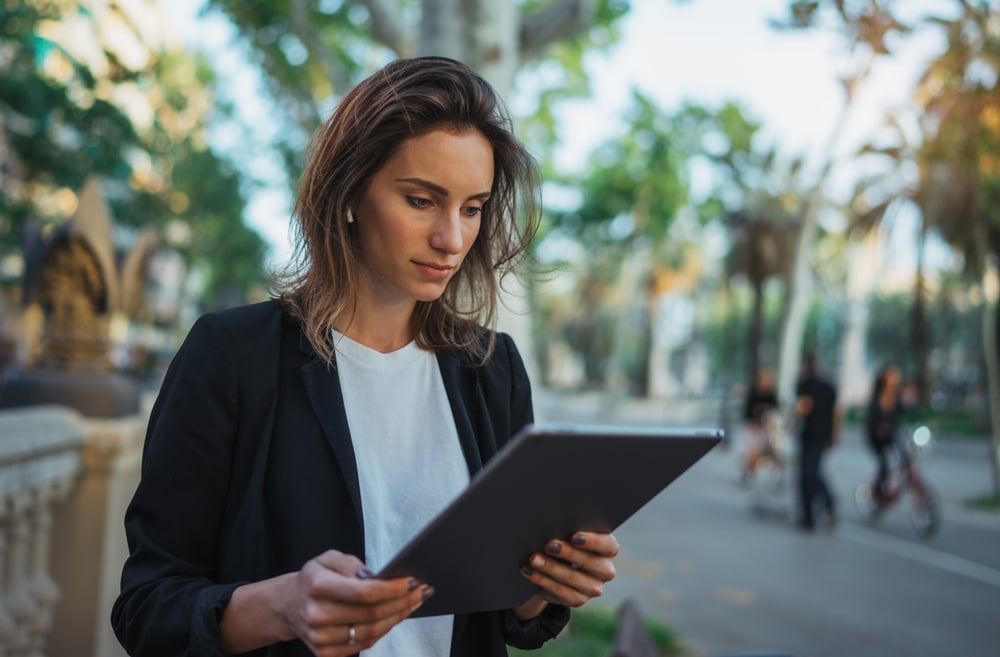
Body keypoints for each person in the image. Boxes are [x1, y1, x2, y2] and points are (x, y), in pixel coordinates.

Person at [111, 56, 619, 657]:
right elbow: (148, 607)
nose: (452, 239)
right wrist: (283, 606)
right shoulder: (232, 357)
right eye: (421, 200)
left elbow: (512, 614)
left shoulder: (492, 368)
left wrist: (545, 584)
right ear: (349, 192)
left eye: (472, 208)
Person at [793, 352, 840, 531]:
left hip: (810, 435)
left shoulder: (804, 384)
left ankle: (810, 514)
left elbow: (803, 407)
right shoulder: (828, 386)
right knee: (813, 472)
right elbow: (836, 411)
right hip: (822, 435)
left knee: (807, 475)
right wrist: (835, 433)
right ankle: (824, 505)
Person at [865, 364, 917, 502]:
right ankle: (879, 491)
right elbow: (872, 416)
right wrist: (879, 427)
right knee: (884, 464)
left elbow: (908, 410)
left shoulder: (898, 396)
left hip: (892, 434)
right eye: (892, 375)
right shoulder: (877, 397)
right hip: (877, 437)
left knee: (907, 458)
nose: (896, 378)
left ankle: (905, 487)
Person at [740, 367, 780, 484]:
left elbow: (775, 412)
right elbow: (747, 414)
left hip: (767, 427)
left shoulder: (771, 394)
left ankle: (776, 471)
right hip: (754, 426)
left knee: (773, 449)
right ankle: (748, 470)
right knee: (752, 449)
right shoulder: (754, 393)